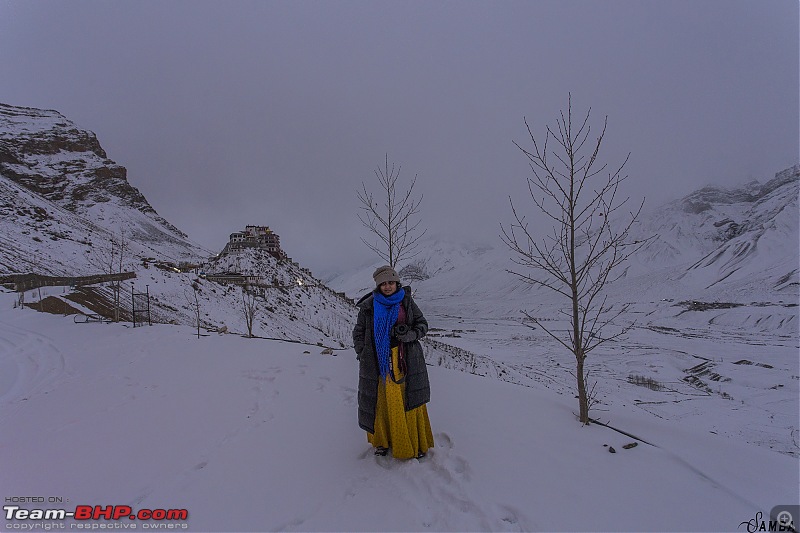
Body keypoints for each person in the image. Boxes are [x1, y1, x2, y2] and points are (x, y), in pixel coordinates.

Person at [352, 265, 434, 459]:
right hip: (378, 364)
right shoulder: (369, 306)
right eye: (383, 284)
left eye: (390, 283)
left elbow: (422, 324)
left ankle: (413, 442)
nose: (387, 287)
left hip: (406, 361)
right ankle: (382, 442)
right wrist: (363, 353)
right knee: (381, 402)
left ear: (397, 283)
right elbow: (359, 332)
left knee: (407, 401)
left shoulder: (406, 302)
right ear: (378, 286)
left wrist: (409, 335)